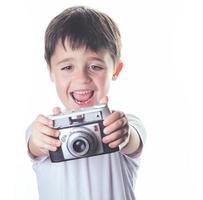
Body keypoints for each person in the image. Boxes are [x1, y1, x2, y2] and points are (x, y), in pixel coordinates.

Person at [25, 6, 146, 200]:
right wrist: (38, 140)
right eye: (67, 67)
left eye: (95, 66)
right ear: (50, 71)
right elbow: (34, 145)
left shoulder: (122, 124)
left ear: (116, 70)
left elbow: (132, 140)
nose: (81, 77)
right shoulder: (45, 129)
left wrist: (124, 134)